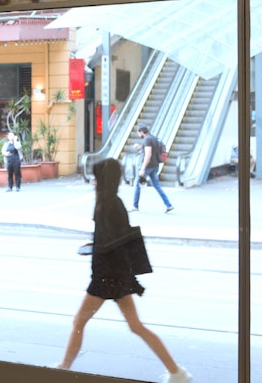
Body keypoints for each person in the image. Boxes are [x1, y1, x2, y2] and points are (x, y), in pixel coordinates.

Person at [57, 158, 193, 383]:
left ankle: (63, 369)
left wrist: (102, 262)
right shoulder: (113, 202)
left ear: (103, 180)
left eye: (96, 177)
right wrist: (96, 249)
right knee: (136, 326)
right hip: (116, 277)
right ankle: (177, 372)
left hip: (105, 278)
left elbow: (112, 245)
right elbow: (112, 242)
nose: (93, 180)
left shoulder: (107, 205)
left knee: (79, 322)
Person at [133, 124, 174, 213]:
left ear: (142, 132)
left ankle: (135, 206)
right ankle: (169, 205)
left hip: (148, 167)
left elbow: (148, 154)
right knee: (157, 186)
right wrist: (140, 147)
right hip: (155, 166)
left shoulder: (147, 140)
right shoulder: (152, 138)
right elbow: (150, 149)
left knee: (137, 185)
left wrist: (143, 169)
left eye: (138, 132)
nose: (138, 134)